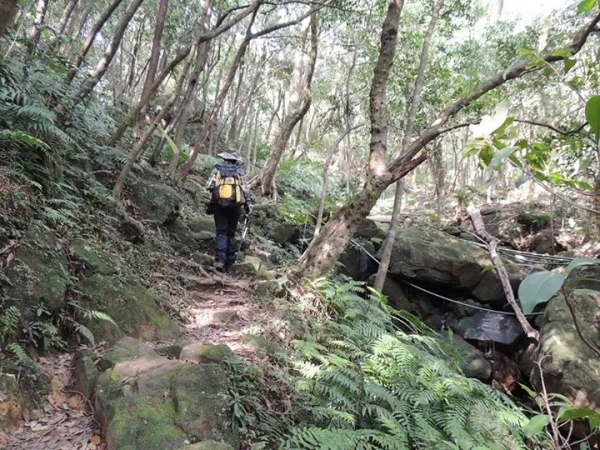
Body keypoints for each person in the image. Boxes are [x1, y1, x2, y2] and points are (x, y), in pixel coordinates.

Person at [206, 151, 250, 272]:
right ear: (236, 161)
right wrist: (247, 205)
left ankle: (220, 260)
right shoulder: (239, 172)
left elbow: (209, 185)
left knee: (221, 232)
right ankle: (229, 262)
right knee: (231, 233)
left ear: (224, 159)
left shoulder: (217, 170)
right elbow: (245, 190)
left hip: (219, 205)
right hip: (235, 207)